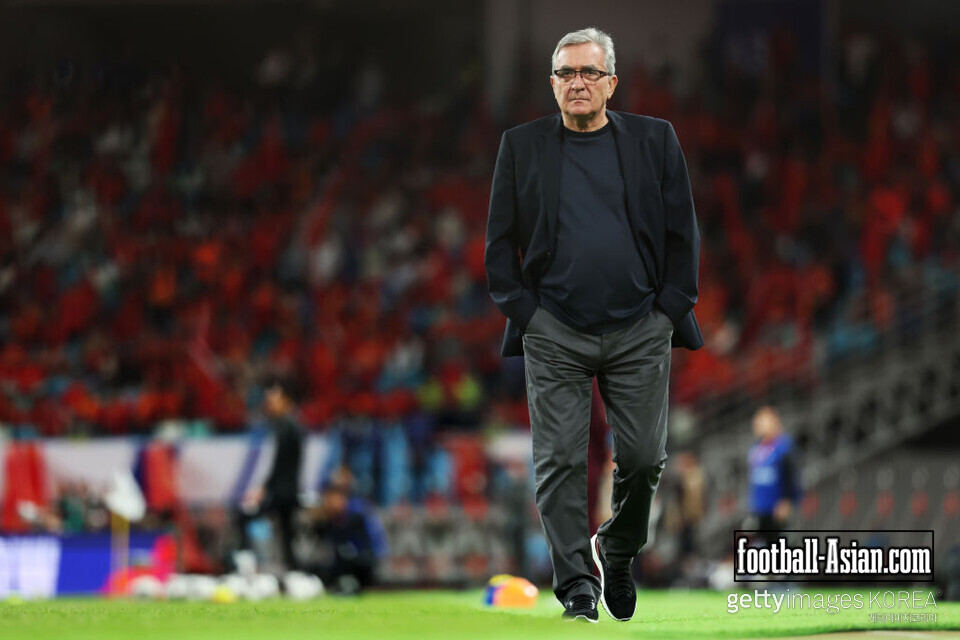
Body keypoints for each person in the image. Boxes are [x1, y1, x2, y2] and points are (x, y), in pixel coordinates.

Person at [484, 27, 702, 623]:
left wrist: (667, 311)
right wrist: (528, 317)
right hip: (556, 331)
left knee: (643, 456)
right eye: (565, 74)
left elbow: (684, 233)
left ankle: (620, 547)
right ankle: (577, 584)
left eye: (587, 73)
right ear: (552, 85)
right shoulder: (521, 146)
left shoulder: (655, 141)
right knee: (558, 460)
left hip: (640, 327)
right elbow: (499, 249)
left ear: (611, 81)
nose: (576, 84)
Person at [238, 376, 305, 571]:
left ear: (286, 401)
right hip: (286, 489)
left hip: (281, 491)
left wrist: (264, 489)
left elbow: (278, 465)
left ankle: (247, 562)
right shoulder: (288, 427)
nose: (269, 406)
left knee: (246, 517)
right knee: (286, 535)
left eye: (273, 401)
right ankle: (291, 570)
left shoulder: (285, 428)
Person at [747, 406, 801, 544]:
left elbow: (792, 474)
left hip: (777, 507)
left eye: (764, 421)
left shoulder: (783, 446)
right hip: (760, 507)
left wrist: (787, 500)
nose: (759, 425)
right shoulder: (756, 448)